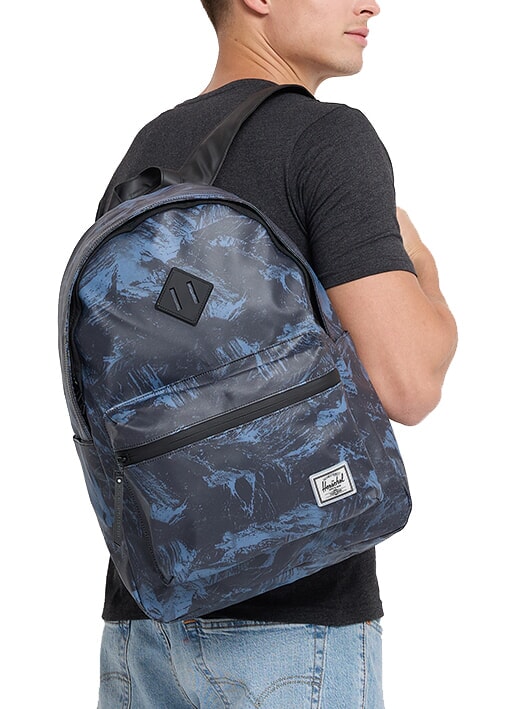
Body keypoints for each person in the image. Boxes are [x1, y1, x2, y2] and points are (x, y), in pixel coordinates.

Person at [96, 1, 458, 707]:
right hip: (293, 627)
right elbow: (410, 383)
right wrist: (423, 268)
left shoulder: (147, 151)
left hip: (143, 618)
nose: (371, 3)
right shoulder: (327, 137)